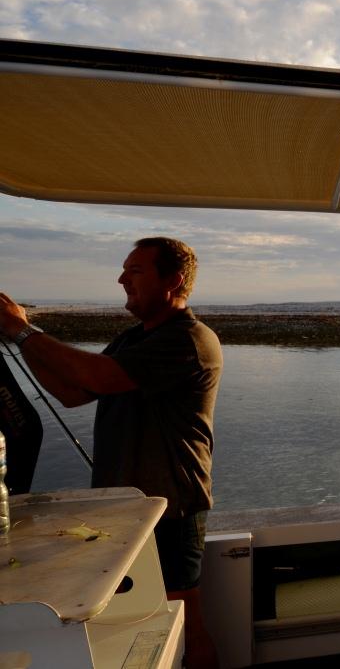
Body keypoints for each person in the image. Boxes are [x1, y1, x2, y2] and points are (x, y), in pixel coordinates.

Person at [0, 237, 222, 668]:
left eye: (135, 271)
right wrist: (22, 340)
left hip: (172, 507)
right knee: (137, 617)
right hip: (127, 509)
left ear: (173, 281)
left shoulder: (188, 339)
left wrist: (21, 330)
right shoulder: (132, 340)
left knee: (185, 618)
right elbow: (72, 392)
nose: (122, 279)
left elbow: (100, 377)